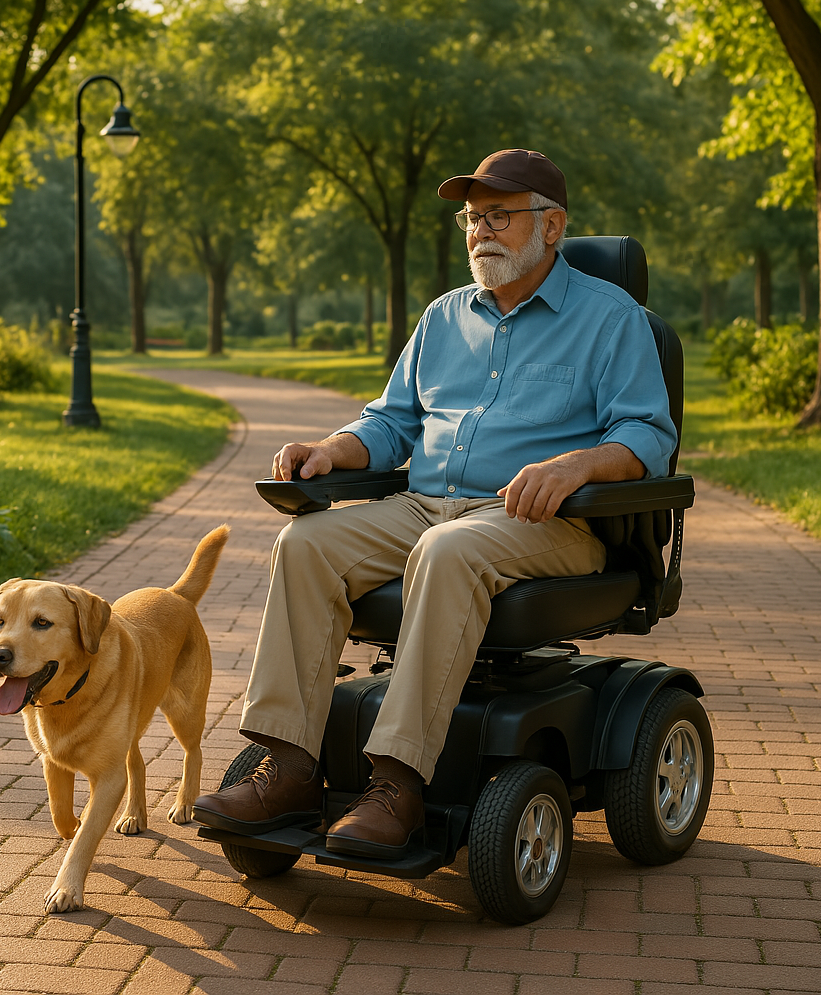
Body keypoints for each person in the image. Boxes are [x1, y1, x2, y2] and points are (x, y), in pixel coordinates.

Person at [195, 149, 677, 860]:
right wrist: (333, 449)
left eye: (501, 217)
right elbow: (391, 423)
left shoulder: (613, 319)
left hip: (551, 522)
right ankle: (290, 767)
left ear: (553, 227)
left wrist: (577, 464)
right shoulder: (446, 316)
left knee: (446, 552)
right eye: (473, 218)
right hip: (429, 507)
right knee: (305, 544)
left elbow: (648, 434)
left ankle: (395, 784)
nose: (482, 231)